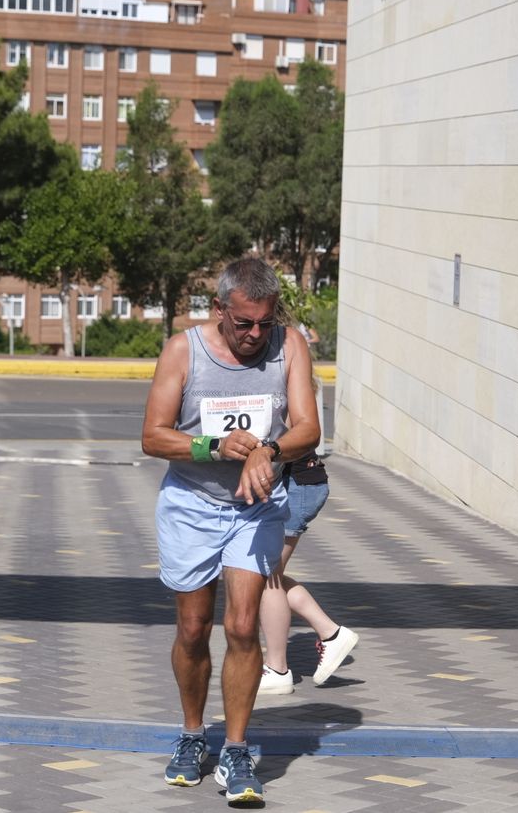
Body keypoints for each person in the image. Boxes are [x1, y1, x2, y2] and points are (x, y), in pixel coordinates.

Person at [141, 258, 320, 806]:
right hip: (192, 504)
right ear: (220, 309)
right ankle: (194, 736)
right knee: (194, 628)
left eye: (264, 323)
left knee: (242, 626)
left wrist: (268, 450)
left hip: (257, 506)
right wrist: (212, 446)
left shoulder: (289, 346)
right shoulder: (182, 351)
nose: (254, 335)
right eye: (243, 323)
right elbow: (152, 436)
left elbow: (309, 429)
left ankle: (238, 750)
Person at [256, 450, 360, 694]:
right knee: (269, 576)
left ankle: (277, 669)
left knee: (265, 578)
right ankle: (331, 634)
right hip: (295, 484)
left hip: (295, 486)